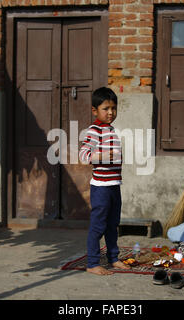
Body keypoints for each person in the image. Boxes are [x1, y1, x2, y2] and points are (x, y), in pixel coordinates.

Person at [79, 87, 131, 275]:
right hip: (100, 188)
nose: (110, 112)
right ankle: (92, 263)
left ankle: (113, 258)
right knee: (98, 225)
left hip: (114, 186)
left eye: (113, 108)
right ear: (95, 111)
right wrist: (104, 155)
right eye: (106, 108)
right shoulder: (94, 130)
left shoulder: (110, 130)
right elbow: (84, 156)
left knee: (112, 224)